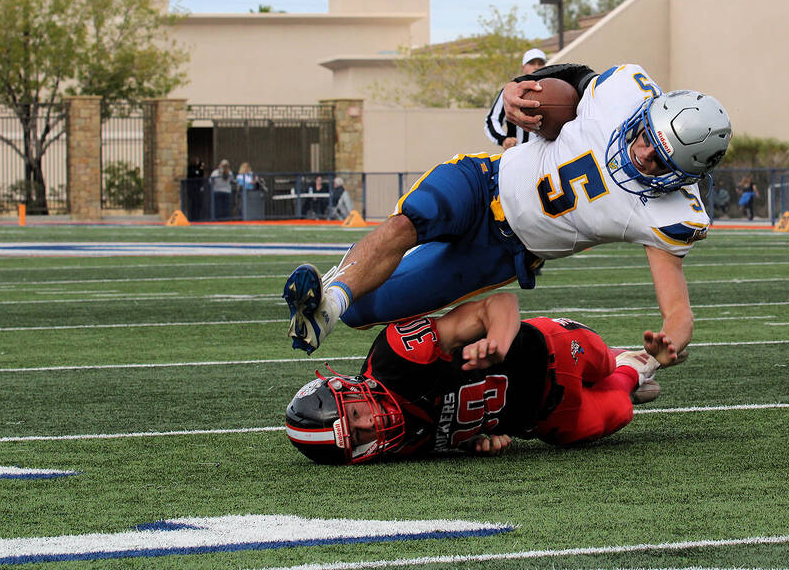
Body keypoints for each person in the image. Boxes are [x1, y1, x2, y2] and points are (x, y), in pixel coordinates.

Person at [283, 62, 732, 368]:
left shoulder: (671, 213)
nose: (643, 154)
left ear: (686, 176)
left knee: (371, 309)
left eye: (659, 161)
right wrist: (517, 86)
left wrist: (665, 348)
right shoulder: (622, 93)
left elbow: (678, 309)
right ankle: (328, 306)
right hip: (484, 182)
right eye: (647, 137)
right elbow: (573, 79)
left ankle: (341, 302)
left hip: (504, 250)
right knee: (411, 219)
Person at [284, 292, 670, 463]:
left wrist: (499, 343)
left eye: (354, 416)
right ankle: (635, 369)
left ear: (347, 390)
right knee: (619, 408)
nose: (371, 424)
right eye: (359, 437)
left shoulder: (399, 355)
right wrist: (471, 440)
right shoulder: (396, 448)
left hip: (550, 349)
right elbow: (438, 423)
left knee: (601, 363)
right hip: (544, 417)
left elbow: (500, 302)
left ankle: (624, 361)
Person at [484, 48, 548, 149]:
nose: (536, 67)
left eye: (540, 63)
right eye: (531, 63)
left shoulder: (552, 90)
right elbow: (492, 119)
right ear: (523, 67)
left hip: (548, 154)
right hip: (518, 153)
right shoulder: (510, 91)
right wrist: (503, 139)